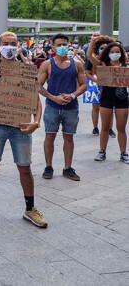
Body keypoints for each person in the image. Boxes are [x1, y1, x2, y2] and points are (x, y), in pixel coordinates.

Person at [0, 31, 47, 228]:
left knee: (25, 167)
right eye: (5, 43)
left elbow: (36, 101)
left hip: (20, 127)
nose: (9, 47)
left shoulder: (28, 71)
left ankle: (30, 208)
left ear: (19, 46)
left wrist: (36, 122)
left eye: (13, 43)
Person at [38, 33, 87, 181]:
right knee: (49, 135)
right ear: (52, 47)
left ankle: (67, 167)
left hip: (71, 107)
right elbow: (37, 86)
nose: (62, 47)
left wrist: (72, 95)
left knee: (69, 137)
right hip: (52, 106)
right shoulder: (47, 64)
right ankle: (48, 166)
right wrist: (54, 98)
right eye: (59, 45)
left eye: (65, 44)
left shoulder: (77, 64)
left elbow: (84, 85)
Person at [87, 35, 129, 163]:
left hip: (122, 98)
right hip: (106, 97)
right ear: (108, 53)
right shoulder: (103, 64)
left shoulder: (125, 65)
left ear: (121, 53)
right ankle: (102, 151)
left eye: (117, 52)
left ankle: (123, 153)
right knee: (105, 126)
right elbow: (89, 56)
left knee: (121, 128)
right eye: (112, 52)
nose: (115, 54)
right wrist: (93, 41)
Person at [85, 35, 116, 136]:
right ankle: (95, 127)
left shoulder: (115, 61)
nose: (103, 50)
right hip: (97, 86)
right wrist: (93, 41)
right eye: (101, 48)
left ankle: (110, 128)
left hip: (111, 88)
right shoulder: (96, 61)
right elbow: (89, 59)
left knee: (110, 109)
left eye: (106, 48)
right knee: (96, 107)